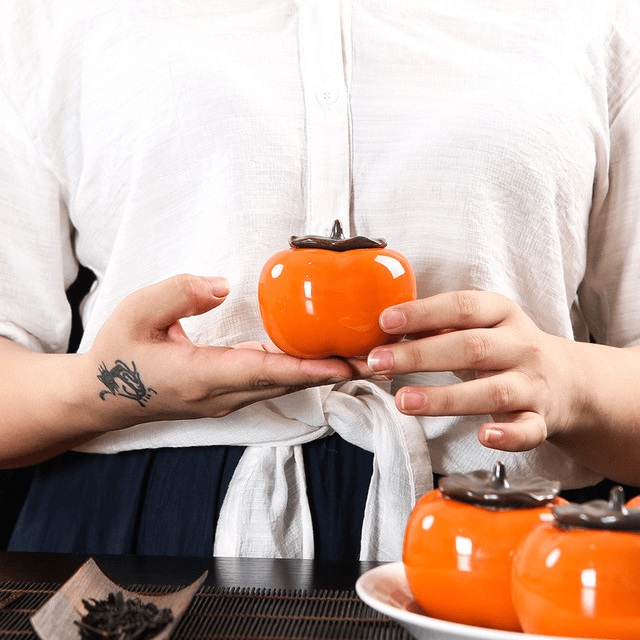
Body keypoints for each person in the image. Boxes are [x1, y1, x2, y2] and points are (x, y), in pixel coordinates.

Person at [1, 0, 639, 561]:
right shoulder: (47, 14)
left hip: (509, 538)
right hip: (137, 529)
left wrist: (572, 386)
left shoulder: (603, 16)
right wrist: (108, 389)